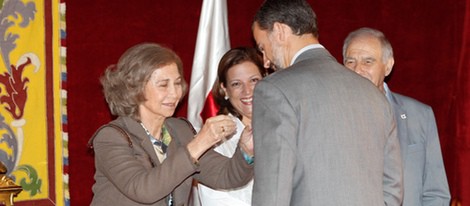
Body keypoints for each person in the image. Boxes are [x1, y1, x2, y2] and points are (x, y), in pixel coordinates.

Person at [250, 0, 404, 205]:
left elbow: (273, 191)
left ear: (279, 31)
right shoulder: (374, 94)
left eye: (263, 47)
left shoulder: (274, 90)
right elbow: (393, 189)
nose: (266, 61)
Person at [88, 43, 254, 206]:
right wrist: (200, 143)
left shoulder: (180, 130)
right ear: (134, 88)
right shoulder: (111, 137)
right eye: (163, 85)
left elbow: (225, 176)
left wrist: (245, 151)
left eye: (177, 83)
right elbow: (144, 190)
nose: (175, 93)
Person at [342, 27, 451, 206]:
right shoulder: (330, 114)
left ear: (388, 66)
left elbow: (436, 193)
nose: (357, 70)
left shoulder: (420, 116)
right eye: (350, 61)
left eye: (368, 61)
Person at [197, 47, 267, 206]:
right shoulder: (213, 141)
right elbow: (214, 200)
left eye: (254, 80)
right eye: (236, 84)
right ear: (224, 89)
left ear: (266, 79)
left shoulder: (287, 127)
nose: (247, 91)